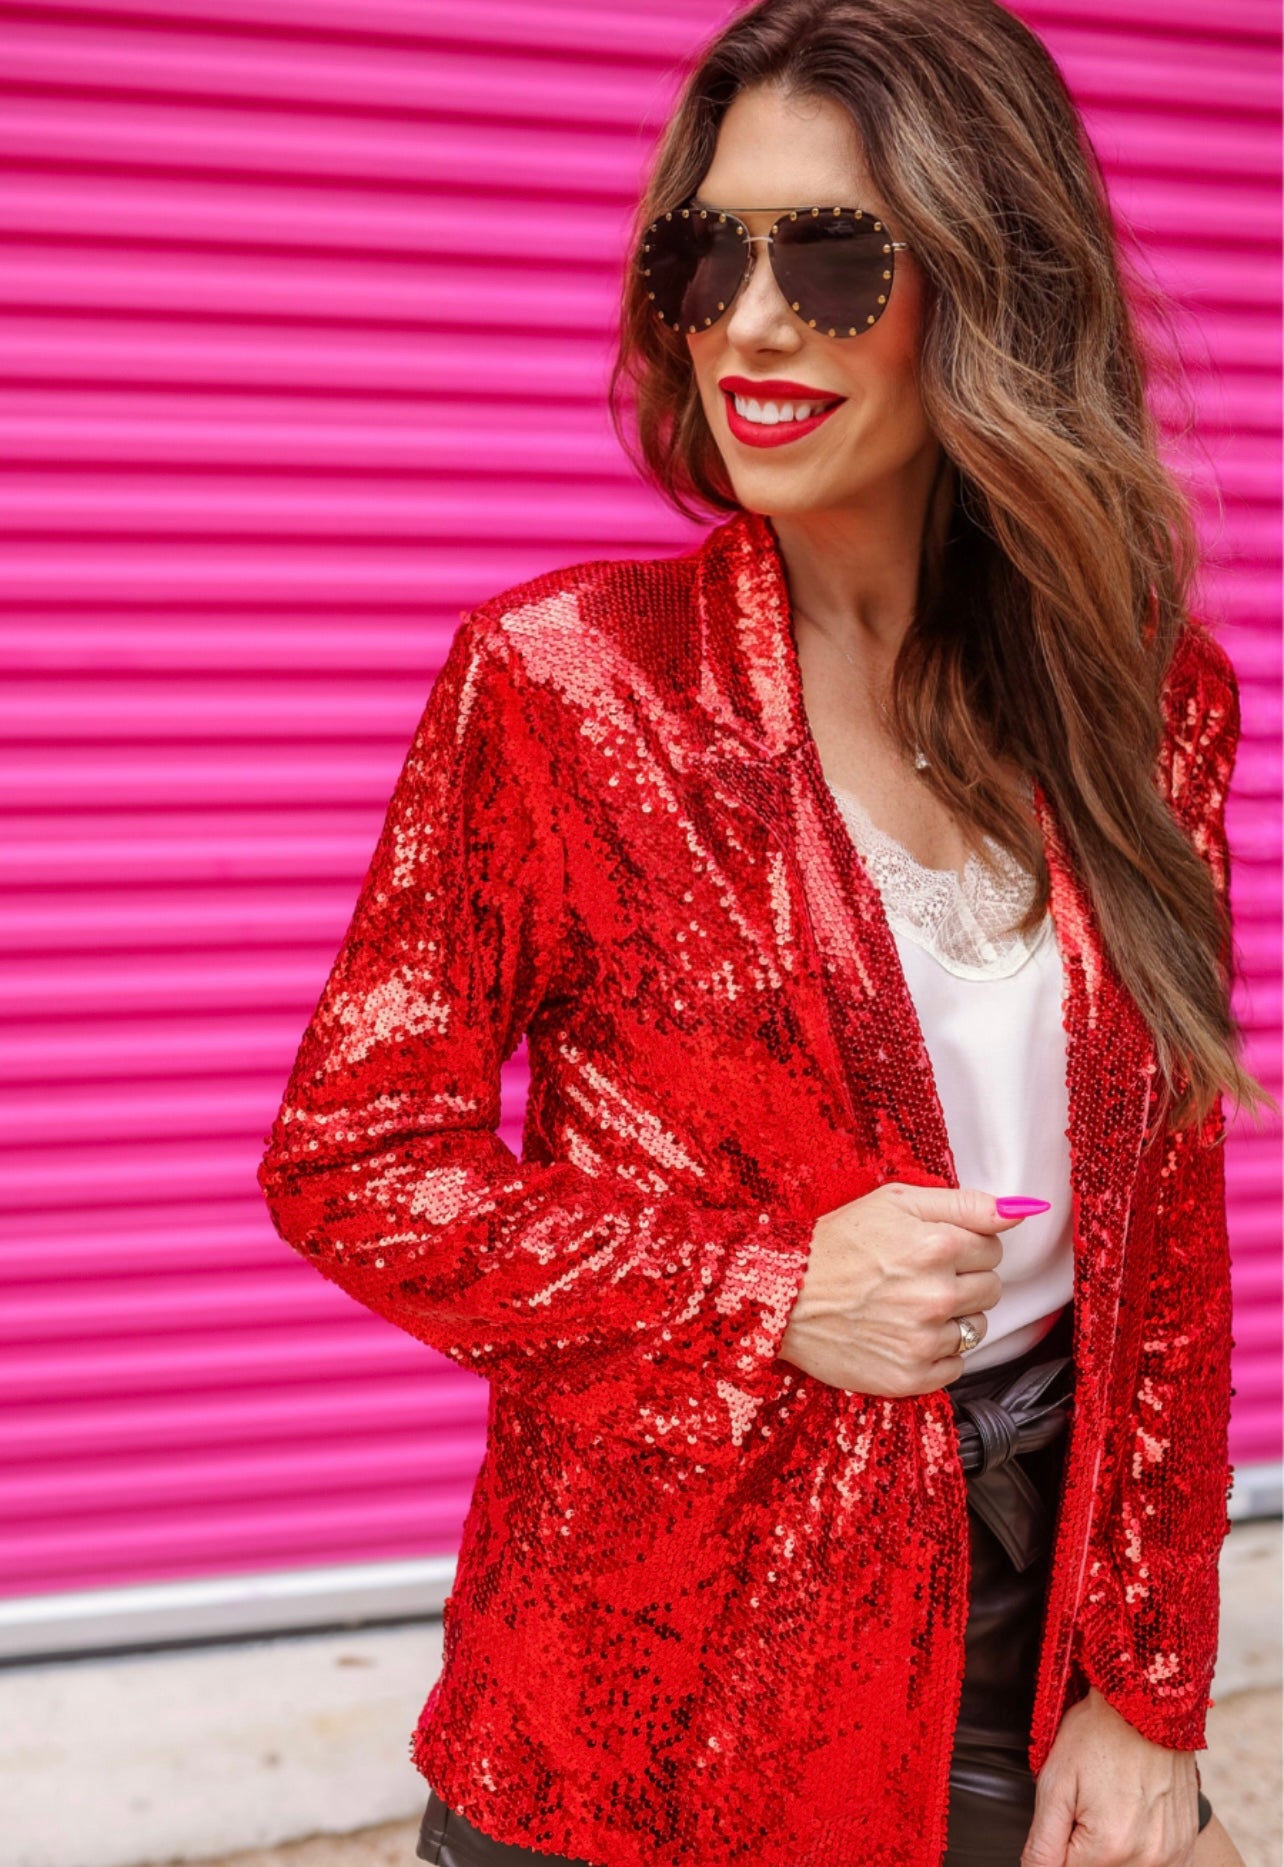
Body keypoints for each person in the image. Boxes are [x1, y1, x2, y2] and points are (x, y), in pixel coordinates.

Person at [256, 1, 1273, 1862]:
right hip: (653, 1671)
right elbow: (354, 1162)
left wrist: (1150, 1675)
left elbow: (1168, 1207)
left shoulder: (1148, 703)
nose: (746, 317)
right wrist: (766, 1298)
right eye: (703, 249)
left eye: (833, 252)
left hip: (1026, 1618)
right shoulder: (567, 685)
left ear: (996, 282)